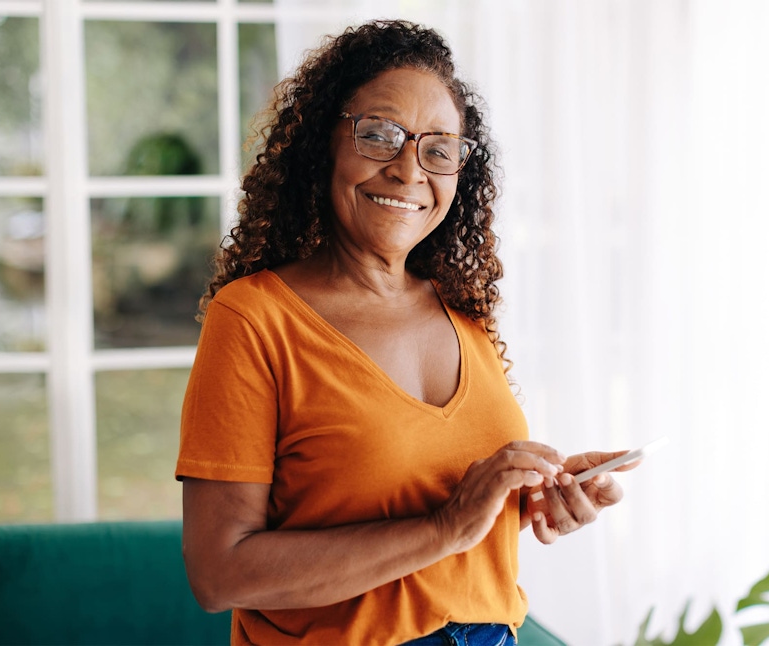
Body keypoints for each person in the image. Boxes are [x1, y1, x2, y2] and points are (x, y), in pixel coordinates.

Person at [176, 19, 635, 646]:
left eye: (439, 148)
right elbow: (219, 573)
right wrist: (446, 526)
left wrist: (528, 496)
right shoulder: (254, 319)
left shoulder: (462, 309)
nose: (407, 169)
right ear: (323, 143)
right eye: (380, 135)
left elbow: (429, 498)